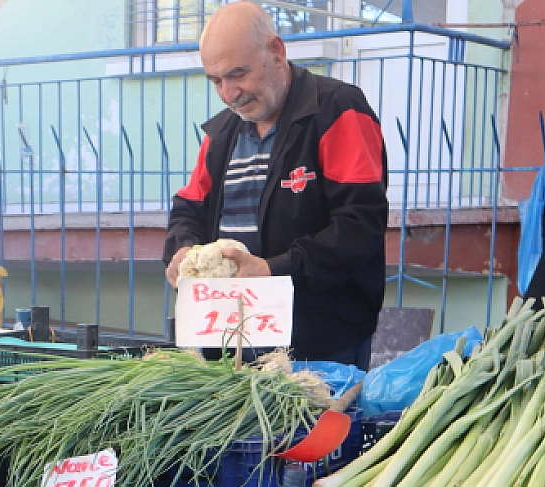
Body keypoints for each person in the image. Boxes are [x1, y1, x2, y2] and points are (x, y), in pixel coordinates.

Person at [164, 1, 388, 366]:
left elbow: (359, 226)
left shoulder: (338, 110)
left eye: (238, 74)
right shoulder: (220, 134)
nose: (229, 93)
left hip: (318, 347)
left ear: (277, 51)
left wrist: (273, 270)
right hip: (228, 342)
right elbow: (188, 209)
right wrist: (182, 249)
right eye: (216, 81)